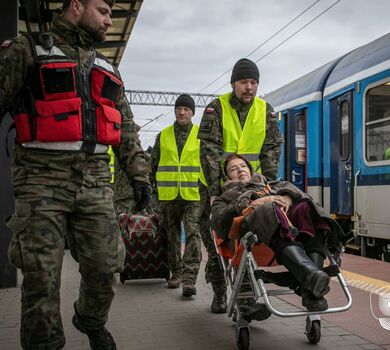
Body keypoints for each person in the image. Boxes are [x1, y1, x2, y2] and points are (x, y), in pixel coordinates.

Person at [0, 0, 152, 349]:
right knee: (41, 278)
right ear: (75, 7)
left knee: (107, 264)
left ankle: (89, 319)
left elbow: (126, 129)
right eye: (103, 11)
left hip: (96, 183)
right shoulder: (28, 51)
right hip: (40, 181)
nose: (108, 20)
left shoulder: (107, 68)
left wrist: (139, 174)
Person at [197, 58, 283, 313]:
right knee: (216, 244)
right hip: (217, 190)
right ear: (233, 83)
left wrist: (268, 185)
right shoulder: (216, 108)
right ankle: (220, 293)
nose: (249, 87)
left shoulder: (265, 110)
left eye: (254, 82)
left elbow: (271, 150)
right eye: (244, 82)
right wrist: (214, 192)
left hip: (249, 189)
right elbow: (209, 154)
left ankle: (244, 297)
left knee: (245, 239)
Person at [211, 154, 345, 311]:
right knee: (267, 209)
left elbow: (307, 199)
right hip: (255, 239)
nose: (240, 170)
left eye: (243, 166)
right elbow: (218, 222)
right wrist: (255, 203)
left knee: (306, 207)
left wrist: (289, 198)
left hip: (293, 234)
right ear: (228, 177)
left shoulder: (278, 185)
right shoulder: (225, 197)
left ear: (250, 169)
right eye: (233, 169)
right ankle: (311, 277)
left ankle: (311, 291)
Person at [149, 94, 203, 298]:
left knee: (193, 234)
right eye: (179, 108)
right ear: (175, 111)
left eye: (187, 109)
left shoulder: (200, 135)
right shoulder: (163, 135)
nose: (182, 112)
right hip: (169, 196)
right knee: (171, 236)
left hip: (193, 195)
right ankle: (176, 273)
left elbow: (208, 164)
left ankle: (189, 280)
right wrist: (152, 195)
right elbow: (153, 166)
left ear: (192, 113)